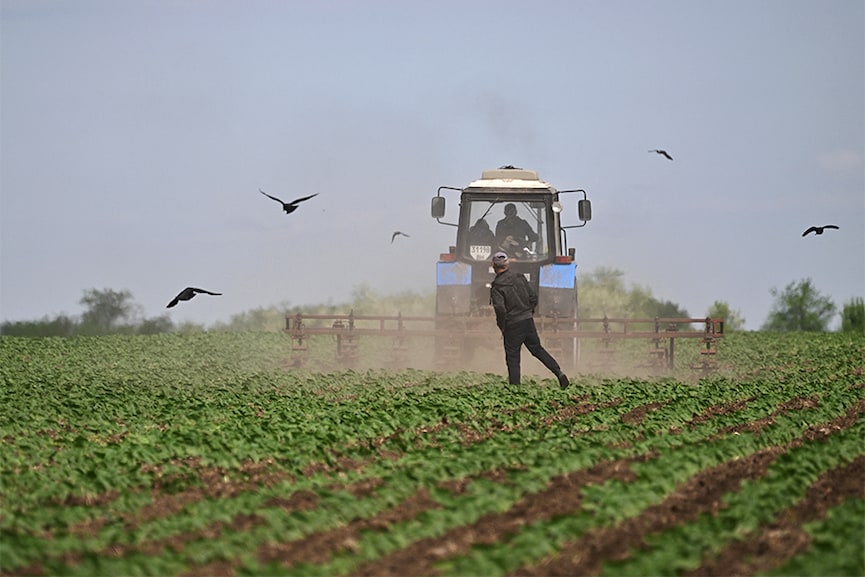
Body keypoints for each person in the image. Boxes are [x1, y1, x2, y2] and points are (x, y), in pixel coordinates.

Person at [489, 251, 570, 388]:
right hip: (527, 321)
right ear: (507, 264)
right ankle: (559, 373)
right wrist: (528, 313)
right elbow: (533, 297)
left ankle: (515, 389)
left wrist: (502, 325)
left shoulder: (497, 286)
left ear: (493, 266)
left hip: (512, 324)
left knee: (513, 357)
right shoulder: (519, 277)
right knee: (538, 350)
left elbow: (500, 309)